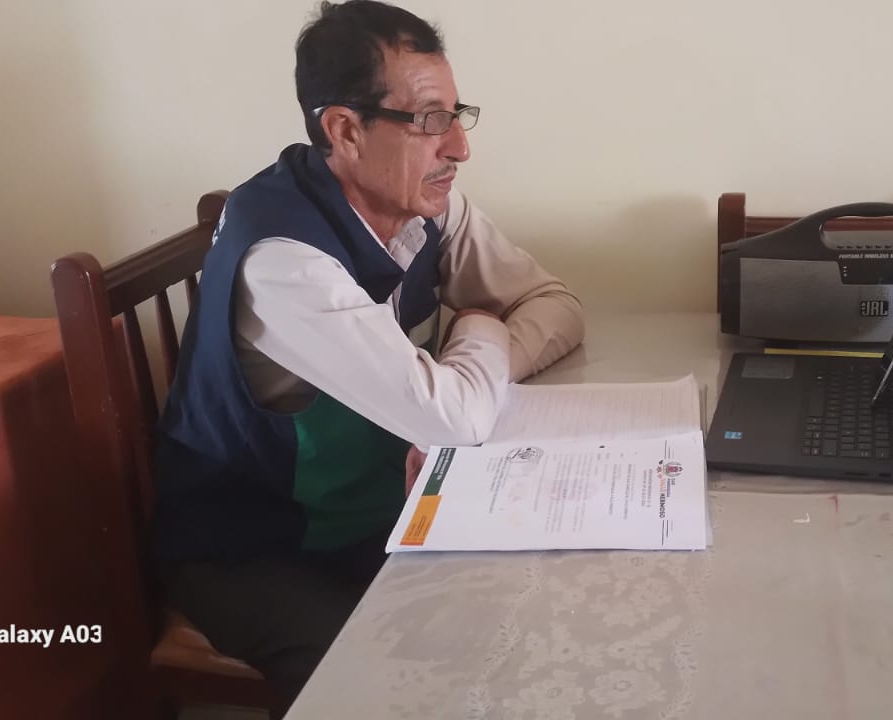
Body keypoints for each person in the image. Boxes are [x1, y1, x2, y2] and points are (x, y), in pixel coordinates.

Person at [146, 1, 584, 715]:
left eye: (457, 115)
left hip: (381, 507)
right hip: (255, 546)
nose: (459, 148)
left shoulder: (428, 205)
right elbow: (456, 417)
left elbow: (554, 303)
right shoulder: (282, 258)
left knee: (534, 620)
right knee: (388, 696)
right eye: (430, 121)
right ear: (345, 130)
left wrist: (465, 383)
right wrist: (478, 330)